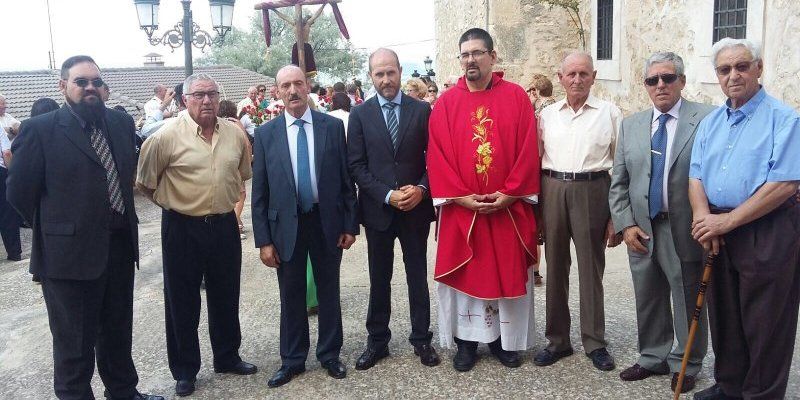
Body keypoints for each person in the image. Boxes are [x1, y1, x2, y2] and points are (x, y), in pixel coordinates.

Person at [7, 55, 163, 400]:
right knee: (74, 345)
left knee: (117, 332)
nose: (89, 87)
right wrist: (57, 229)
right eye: (81, 81)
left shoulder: (120, 124)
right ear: (63, 86)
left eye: (95, 81)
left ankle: (124, 392)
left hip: (120, 248)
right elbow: (19, 192)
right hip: (68, 260)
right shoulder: (41, 129)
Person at [688, 38, 800, 400]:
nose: (733, 76)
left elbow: (783, 183)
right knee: (725, 317)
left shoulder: (786, 119)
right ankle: (730, 386)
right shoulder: (711, 123)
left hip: (766, 229)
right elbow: (696, 176)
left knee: (766, 323)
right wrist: (704, 217)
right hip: (719, 230)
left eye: (741, 67)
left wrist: (727, 221)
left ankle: (761, 394)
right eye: (724, 70)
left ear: (759, 68)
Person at [136, 73, 256, 397]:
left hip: (223, 224)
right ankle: (186, 370)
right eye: (199, 95)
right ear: (184, 99)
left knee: (226, 294)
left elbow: (242, 175)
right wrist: (175, 204)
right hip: (181, 227)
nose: (206, 101)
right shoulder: (164, 137)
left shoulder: (233, 134)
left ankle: (228, 356)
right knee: (181, 301)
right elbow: (145, 183)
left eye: (212, 95)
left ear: (219, 98)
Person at [428, 28, 540, 372]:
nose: (470, 60)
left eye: (477, 53)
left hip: (507, 209)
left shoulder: (517, 97)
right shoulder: (446, 103)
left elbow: (528, 148)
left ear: (493, 56)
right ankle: (466, 344)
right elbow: (437, 154)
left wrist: (510, 193)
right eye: (465, 54)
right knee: (467, 277)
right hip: (464, 210)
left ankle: (503, 343)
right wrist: (461, 197)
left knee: (504, 275)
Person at [608, 51, 715, 394]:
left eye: (668, 78)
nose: (661, 85)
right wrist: (625, 224)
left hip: (684, 228)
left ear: (681, 81)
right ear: (645, 86)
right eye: (653, 80)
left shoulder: (706, 119)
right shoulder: (632, 124)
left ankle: (687, 362)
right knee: (648, 296)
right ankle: (652, 356)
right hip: (642, 229)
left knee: (687, 297)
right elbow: (619, 182)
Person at [251, 65, 357, 388]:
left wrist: (350, 225)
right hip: (286, 226)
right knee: (291, 294)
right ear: (278, 91)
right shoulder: (266, 134)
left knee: (329, 290)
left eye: (299, 83)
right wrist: (263, 241)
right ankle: (293, 360)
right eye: (286, 85)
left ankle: (329, 354)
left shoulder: (332, 127)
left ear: (308, 85)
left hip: (326, 221)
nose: (294, 90)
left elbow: (345, 181)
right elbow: (260, 192)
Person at [347, 48, 440, 371]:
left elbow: (436, 158)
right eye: (379, 74)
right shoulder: (360, 115)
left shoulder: (422, 111)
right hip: (379, 211)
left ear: (401, 71)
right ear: (371, 76)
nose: (386, 79)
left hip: (416, 208)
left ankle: (421, 339)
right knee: (379, 277)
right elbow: (356, 166)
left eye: (390, 72)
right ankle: (377, 341)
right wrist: (387, 195)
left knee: (417, 275)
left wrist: (422, 188)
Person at [534, 51, 622, 371]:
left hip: (593, 190)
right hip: (553, 187)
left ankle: (594, 341)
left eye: (584, 74)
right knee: (555, 268)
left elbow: (621, 169)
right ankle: (557, 340)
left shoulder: (609, 113)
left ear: (594, 77)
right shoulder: (547, 115)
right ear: (560, 78)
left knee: (590, 268)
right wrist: (538, 211)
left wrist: (616, 216)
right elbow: (535, 161)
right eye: (571, 74)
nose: (577, 79)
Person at [218, 100, 253, 241]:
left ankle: (237, 222)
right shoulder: (234, 123)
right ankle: (235, 222)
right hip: (235, 164)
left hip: (221, 164)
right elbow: (246, 144)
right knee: (241, 195)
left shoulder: (217, 122)